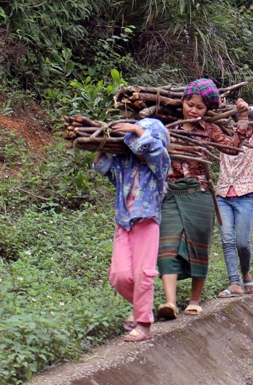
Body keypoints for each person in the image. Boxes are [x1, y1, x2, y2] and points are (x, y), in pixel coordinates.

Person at [157, 79, 249, 319]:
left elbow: (230, 148)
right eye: (190, 104)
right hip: (171, 195)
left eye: (199, 107)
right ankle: (170, 302)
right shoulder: (167, 126)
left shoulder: (209, 129)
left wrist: (243, 121)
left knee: (198, 248)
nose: (194, 110)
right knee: (167, 248)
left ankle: (194, 300)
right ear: (182, 102)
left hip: (199, 196)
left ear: (207, 110)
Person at [92, 118, 170, 342]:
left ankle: (144, 324)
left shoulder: (160, 165)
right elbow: (104, 167)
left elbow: (156, 151)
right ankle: (142, 308)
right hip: (124, 222)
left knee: (142, 274)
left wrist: (137, 129)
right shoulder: (124, 162)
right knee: (119, 275)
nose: (139, 147)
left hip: (147, 221)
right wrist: (100, 145)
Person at [215, 107, 253, 298]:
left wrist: (246, 110)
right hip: (222, 197)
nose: (244, 131)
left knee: (242, 242)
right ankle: (234, 282)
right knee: (227, 240)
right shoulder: (224, 143)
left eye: (247, 127)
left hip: (245, 197)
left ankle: (245, 271)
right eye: (240, 126)